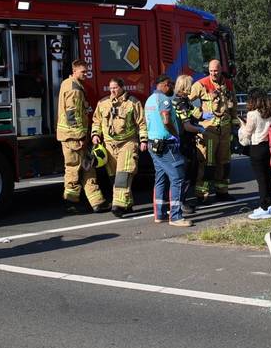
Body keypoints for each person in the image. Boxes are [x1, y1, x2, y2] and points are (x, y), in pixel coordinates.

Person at [56, 58, 108, 213]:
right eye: (83, 71)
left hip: (74, 136)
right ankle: (71, 203)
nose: (86, 74)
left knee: (88, 167)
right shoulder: (74, 89)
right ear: (74, 71)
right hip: (74, 137)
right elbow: (72, 114)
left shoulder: (68, 83)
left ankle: (97, 202)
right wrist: (80, 135)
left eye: (87, 71)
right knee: (74, 169)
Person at [92, 77, 148, 217]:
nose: (113, 91)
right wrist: (95, 135)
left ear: (122, 87)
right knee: (113, 176)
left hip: (128, 143)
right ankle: (127, 203)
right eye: (111, 88)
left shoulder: (133, 103)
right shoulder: (103, 103)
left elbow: (141, 123)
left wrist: (143, 140)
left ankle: (118, 205)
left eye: (115, 88)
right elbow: (96, 121)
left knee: (123, 174)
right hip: (109, 145)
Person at [144, 76, 192, 227]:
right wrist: (175, 134)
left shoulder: (149, 100)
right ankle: (176, 217)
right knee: (177, 177)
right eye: (170, 85)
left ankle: (160, 213)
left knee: (160, 178)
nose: (172, 88)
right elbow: (166, 119)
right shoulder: (164, 99)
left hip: (153, 143)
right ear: (165, 85)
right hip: (166, 144)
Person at [188, 59, 237, 202]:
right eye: (211, 71)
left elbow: (233, 104)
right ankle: (202, 194)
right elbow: (186, 102)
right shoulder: (201, 84)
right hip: (208, 131)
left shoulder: (228, 84)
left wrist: (234, 122)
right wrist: (200, 115)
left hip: (225, 130)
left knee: (224, 161)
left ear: (221, 69)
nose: (213, 73)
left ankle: (222, 191)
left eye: (216, 71)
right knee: (207, 163)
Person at [237, 88, 271, 220]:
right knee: (267, 177)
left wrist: (242, 125)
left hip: (257, 147)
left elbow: (247, 133)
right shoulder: (270, 112)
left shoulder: (252, 114)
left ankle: (263, 207)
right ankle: (268, 204)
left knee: (261, 179)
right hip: (267, 147)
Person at [172, 74, 204, 215]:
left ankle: (180, 202)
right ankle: (181, 203)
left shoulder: (179, 100)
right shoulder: (181, 102)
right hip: (184, 141)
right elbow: (187, 126)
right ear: (185, 86)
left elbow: (193, 114)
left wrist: (202, 116)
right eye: (190, 84)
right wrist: (200, 129)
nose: (192, 87)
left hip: (180, 140)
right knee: (184, 174)